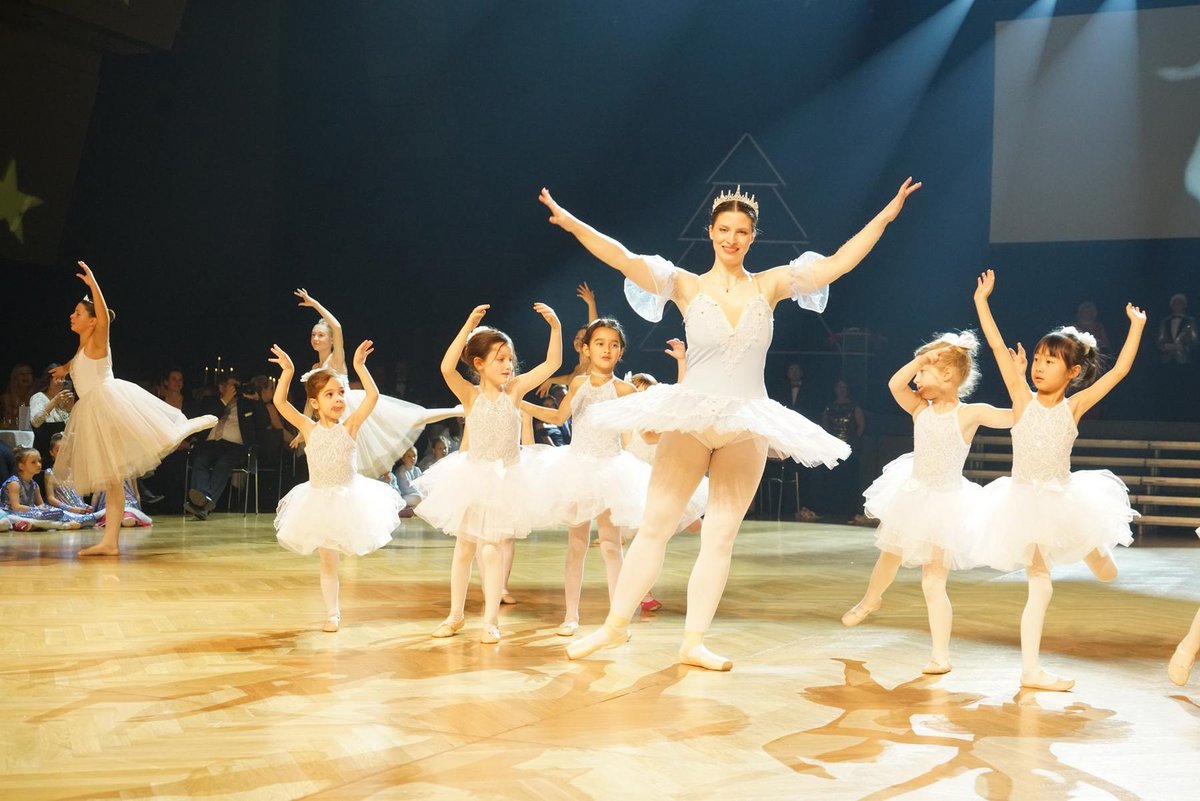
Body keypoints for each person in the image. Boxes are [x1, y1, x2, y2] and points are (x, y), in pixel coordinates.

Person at [539, 178, 921, 670]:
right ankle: (614, 626)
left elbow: (838, 263)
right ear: (711, 232)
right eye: (724, 229)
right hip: (693, 415)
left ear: (752, 237)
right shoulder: (685, 284)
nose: (732, 238)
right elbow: (622, 258)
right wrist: (572, 223)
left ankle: (693, 641)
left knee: (719, 537)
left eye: (741, 231)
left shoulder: (771, 284)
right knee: (655, 526)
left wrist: (885, 215)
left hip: (746, 419)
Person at [973, 269, 1145, 691]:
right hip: (1023, 501)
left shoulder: (1075, 406)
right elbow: (995, 345)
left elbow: (1120, 372)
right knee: (1040, 584)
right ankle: (1031, 671)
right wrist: (982, 301)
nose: (1038, 366)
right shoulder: (1020, 397)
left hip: (1065, 499)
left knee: (1106, 573)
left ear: (1072, 372)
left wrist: (1137, 326)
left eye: (1050, 361)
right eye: (1037, 359)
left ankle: (1092, 550)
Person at [842, 332, 1013, 675]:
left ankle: (940, 655)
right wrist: (921, 359)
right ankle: (871, 600)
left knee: (933, 582)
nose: (916, 379)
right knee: (889, 555)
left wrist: (1019, 379)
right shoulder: (920, 408)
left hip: (946, 504)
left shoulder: (969, 414)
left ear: (947, 374)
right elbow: (895, 384)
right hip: (913, 495)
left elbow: (1014, 416)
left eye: (923, 372)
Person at [414, 302, 561, 644]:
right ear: (479, 364)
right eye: (500, 359)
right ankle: (455, 616)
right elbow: (447, 366)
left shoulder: (516, 391)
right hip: (473, 477)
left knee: (492, 548)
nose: (508, 365)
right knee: (464, 549)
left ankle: (491, 621)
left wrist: (555, 327)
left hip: (505, 479)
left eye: (510, 359)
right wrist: (468, 325)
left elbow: (552, 363)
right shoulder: (470, 395)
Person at [52, 261, 216, 555]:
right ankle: (110, 543)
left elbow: (104, 317)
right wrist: (64, 369)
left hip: (108, 405)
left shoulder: (98, 341)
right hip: (91, 411)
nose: (71, 316)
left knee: (151, 444)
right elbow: (76, 363)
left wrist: (93, 284)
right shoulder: (82, 347)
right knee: (113, 482)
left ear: (92, 321)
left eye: (78, 313)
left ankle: (187, 425)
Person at [525, 318, 652, 637]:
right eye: (600, 343)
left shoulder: (625, 391)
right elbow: (559, 417)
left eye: (613, 344)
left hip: (611, 469)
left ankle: (618, 620)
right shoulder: (578, 384)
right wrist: (520, 403)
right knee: (577, 545)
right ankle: (571, 615)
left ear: (621, 351)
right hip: (578, 467)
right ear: (586, 348)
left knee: (611, 546)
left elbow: (645, 432)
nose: (606, 349)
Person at [270, 340, 403, 633]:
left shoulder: (350, 426)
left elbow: (372, 396)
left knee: (340, 556)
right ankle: (332, 613)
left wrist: (360, 367)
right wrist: (287, 372)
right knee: (328, 561)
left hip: (348, 498)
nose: (338, 399)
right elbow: (280, 403)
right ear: (315, 403)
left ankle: (335, 611)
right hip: (319, 500)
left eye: (341, 392)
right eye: (329, 394)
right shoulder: (308, 428)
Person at [294, 288, 460, 477]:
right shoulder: (315, 367)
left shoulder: (336, 359)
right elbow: (311, 401)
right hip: (331, 417)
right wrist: (302, 430)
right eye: (313, 335)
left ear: (331, 340)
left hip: (352, 407)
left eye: (320, 335)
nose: (316, 338)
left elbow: (337, 327)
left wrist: (314, 304)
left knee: (412, 417)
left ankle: (457, 410)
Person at [184, 375, 268, 519]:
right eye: (233, 386)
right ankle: (204, 504)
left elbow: (264, 422)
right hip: (210, 443)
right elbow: (205, 419)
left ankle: (202, 505)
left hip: (234, 447)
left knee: (223, 463)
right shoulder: (209, 401)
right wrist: (224, 401)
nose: (236, 389)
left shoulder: (247, 403)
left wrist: (257, 400)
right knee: (200, 459)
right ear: (222, 387)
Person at [1, 447, 73, 529]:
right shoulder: (14, 483)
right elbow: (16, 507)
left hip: (28, 513)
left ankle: (76, 519)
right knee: (39, 517)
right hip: (10, 515)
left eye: (39, 461)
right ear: (21, 466)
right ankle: (61, 525)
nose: (39, 464)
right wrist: (38, 510)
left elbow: (41, 505)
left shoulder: (34, 485)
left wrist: (48, 510)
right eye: (33, 462)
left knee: (59, 512)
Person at [30, 364, 74, 459]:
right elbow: (35, 422)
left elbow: (72, 426)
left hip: (63, 449)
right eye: (57, 378)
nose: (60, 381)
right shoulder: (38, 397)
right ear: (48, 379)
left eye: (63, 378)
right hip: (45, 448)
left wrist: (70, 409)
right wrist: (54, 401)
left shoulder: (65, 399)